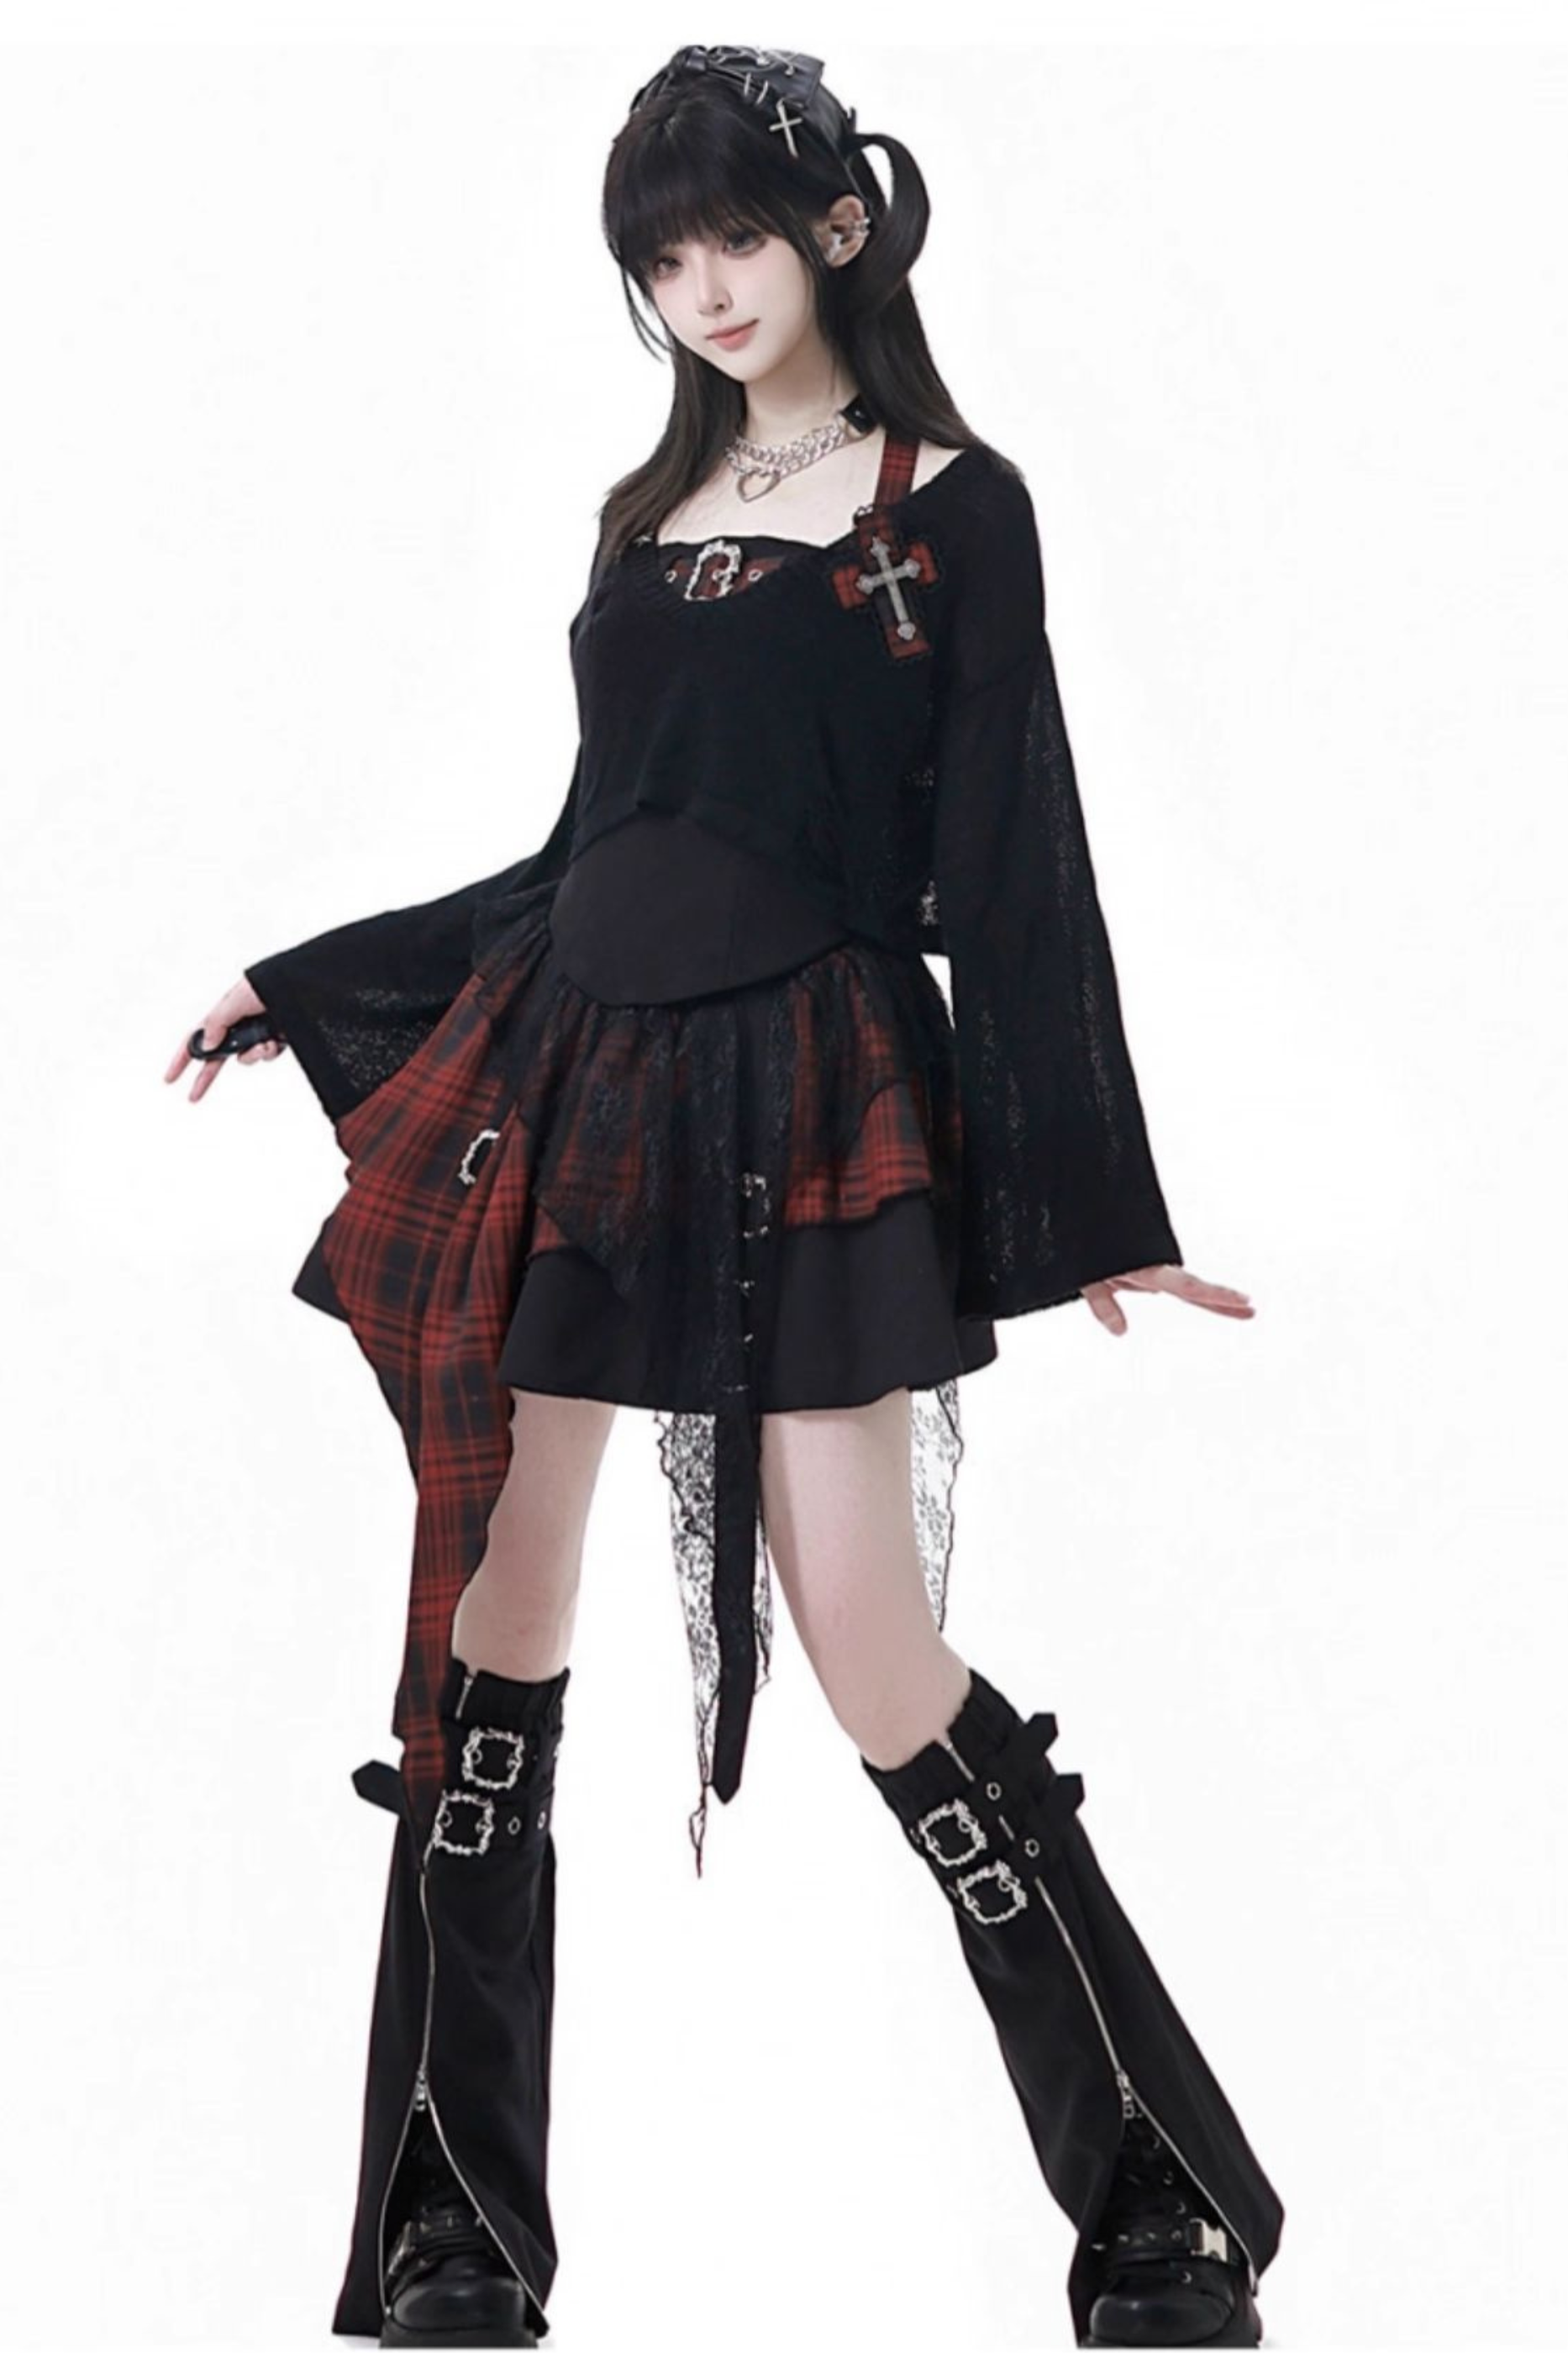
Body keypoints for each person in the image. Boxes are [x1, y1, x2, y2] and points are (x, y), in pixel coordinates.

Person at [169, 45, 1285, 2352]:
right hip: (584, 1076)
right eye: (662, 259)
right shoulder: (640, 518)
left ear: (836, 231)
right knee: (494, 1606)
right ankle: (455, 2224)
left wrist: (1091, 1195)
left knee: (873, 1632)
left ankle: (1158, 2199)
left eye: (735, 242)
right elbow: (595, 848)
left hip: (814, 1080)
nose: (702, 290)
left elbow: (1018, 847)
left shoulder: (951, 506)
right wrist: (317, 978)